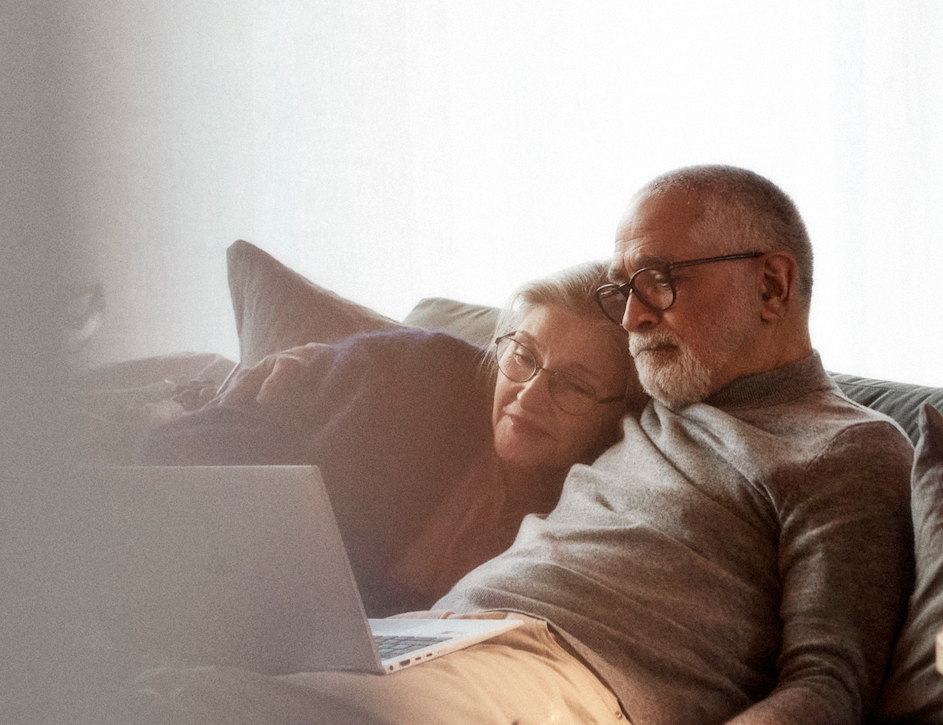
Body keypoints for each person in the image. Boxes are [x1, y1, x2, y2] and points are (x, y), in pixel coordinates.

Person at [136, 164, 916, 725]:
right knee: (146, 678)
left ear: (774, 286)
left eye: (660, 278)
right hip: (428, 637)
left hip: (569, 672)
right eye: (624, 288)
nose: (634, 315)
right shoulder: (647, 405)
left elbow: (828, 685)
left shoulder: (846, 447)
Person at [140, 261, 643, 616]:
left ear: (618, 415)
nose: (530, 395)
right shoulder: (414, 374)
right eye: (522, 356)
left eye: (575, 384)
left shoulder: (598, 514)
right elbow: (186, 454)